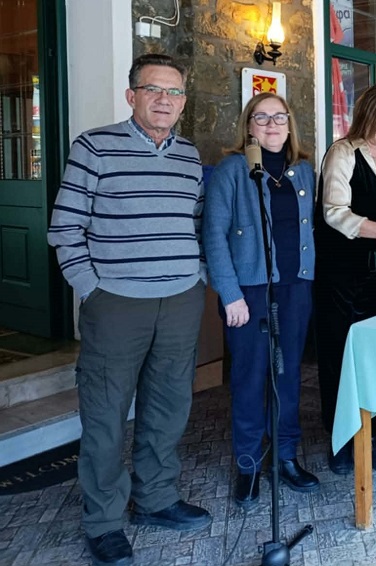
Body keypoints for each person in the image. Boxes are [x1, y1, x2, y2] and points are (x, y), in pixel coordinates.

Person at [47, 53, 211, 566]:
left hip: (180, 301)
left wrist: (198, 274)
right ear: (131, 95)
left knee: (168, 408)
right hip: (115, 303)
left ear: (183, 102)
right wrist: (92, 288)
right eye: (153, 89)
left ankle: (156, 499)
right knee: (105, 416)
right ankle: (103, 521)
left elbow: (197, 222)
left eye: (174, 92)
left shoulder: (190, 155)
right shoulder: (94, 147)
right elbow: (65, 228)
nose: (164, 100)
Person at [203, 92, 319, 508]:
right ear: (248, 126)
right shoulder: (233, 170)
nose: (272, 125)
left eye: (279, 117)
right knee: (250, 378)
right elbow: (213, 235)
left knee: (287, 376)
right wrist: (230, 295)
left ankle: (285, 456)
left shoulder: (303, 170)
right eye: (262, 117)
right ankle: (249, 464)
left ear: (290, 124)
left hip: (295, 288)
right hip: (249, 291)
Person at [314, 84, 376, 475]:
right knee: (340, 357)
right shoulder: (342, 153)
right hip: (339, 274)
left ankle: (371, 433)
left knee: (375, 356)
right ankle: (341, 437)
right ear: (367, 115)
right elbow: (335, 213)